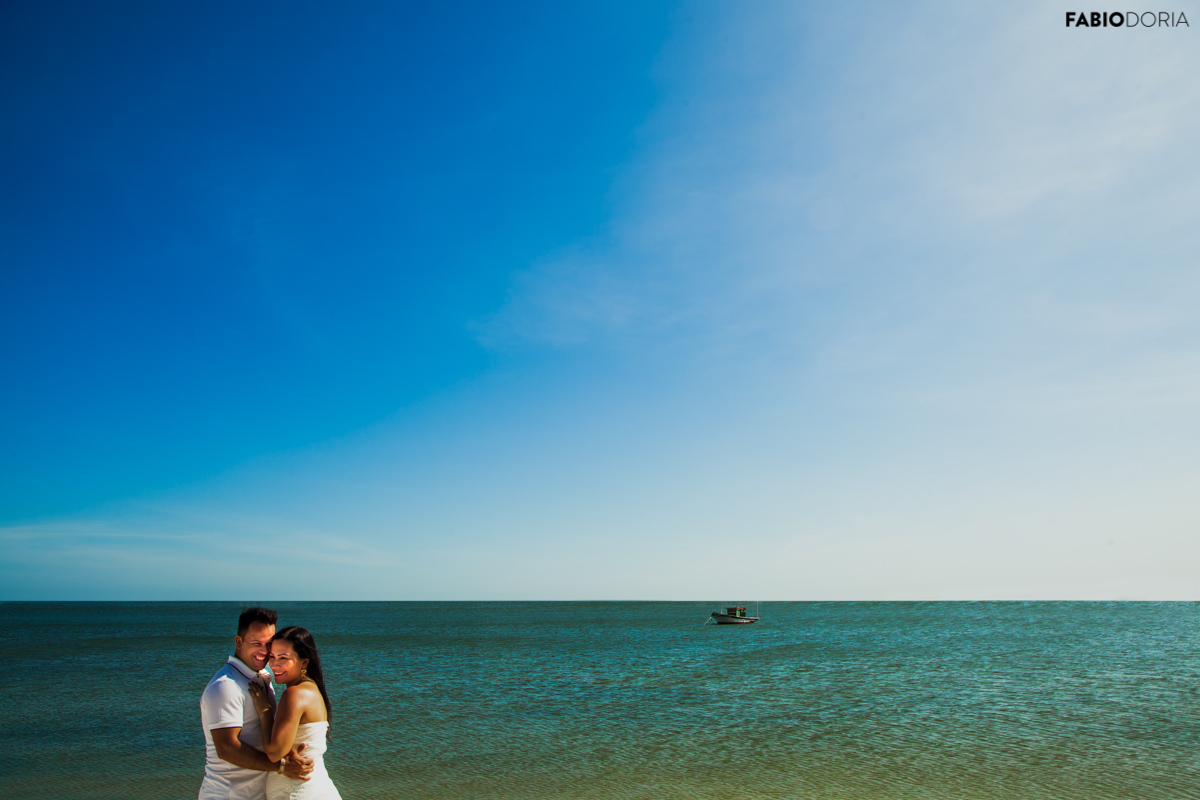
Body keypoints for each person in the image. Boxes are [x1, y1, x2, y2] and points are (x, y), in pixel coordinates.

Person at [199, 608, 314, 800]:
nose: (264, 651)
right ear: (238, 642)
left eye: (269, 643)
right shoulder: (226, 686)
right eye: (256, 643)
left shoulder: (261, 678)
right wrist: (281, 766)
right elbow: (227, 747)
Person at [249, 626, 343, 800]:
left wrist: (265, 710)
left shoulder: (295, 694)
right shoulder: (312, 689)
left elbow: (274, 753)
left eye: (283, 658)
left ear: (304, 662)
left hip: (297, 792)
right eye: (272, 656)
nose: (274, 664)